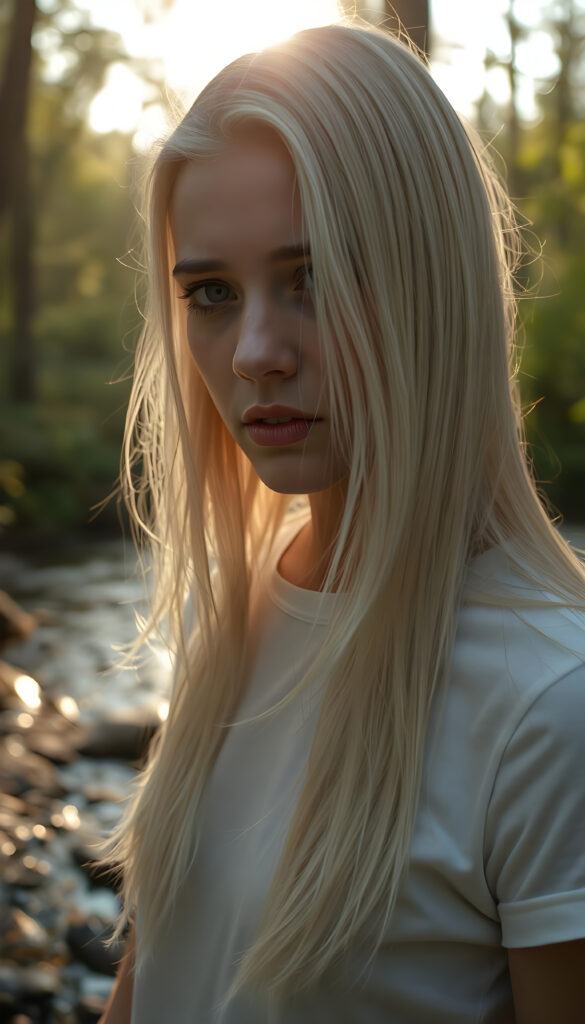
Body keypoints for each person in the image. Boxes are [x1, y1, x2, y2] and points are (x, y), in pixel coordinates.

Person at [97, 17, 585, 1024]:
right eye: (212, 293)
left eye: (312, 276)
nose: (254, 353)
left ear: (432, 283)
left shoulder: (549, 704)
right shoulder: (241, 609)